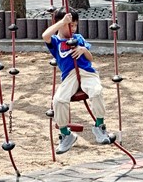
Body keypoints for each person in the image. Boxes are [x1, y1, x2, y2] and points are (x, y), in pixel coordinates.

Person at [42, 9, 112, 153]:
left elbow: (91, 58)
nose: (72, 28)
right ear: (59, 24)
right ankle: (66, 134)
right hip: (69, 76)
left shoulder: (78, 38)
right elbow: (45, 35)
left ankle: (99, 126)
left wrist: (83, 50)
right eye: (69, 25)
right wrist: (63, 22)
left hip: (86, 73)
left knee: (97, 91)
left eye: (74, 25)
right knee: (59, 100)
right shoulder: (55, 42)